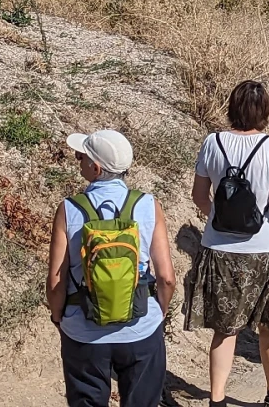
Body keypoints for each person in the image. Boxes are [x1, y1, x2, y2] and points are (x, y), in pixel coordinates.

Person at [186, 81, 269, 407]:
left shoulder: (212, 142)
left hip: (219, 249)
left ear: (232, 107)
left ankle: (217, 399)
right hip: (263, 248)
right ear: (265, 110)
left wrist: (217, 217)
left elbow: (198, 196)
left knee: (225, 329)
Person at [47, 129, 176, 407]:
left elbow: (56, 281)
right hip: (141, 326)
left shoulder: (68, 209)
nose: (77, 159)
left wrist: (59, 318)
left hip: (83, 330)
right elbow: (166, 277)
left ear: (95, 168)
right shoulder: (148, 205)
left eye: (80, 157)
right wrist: (157, 313)